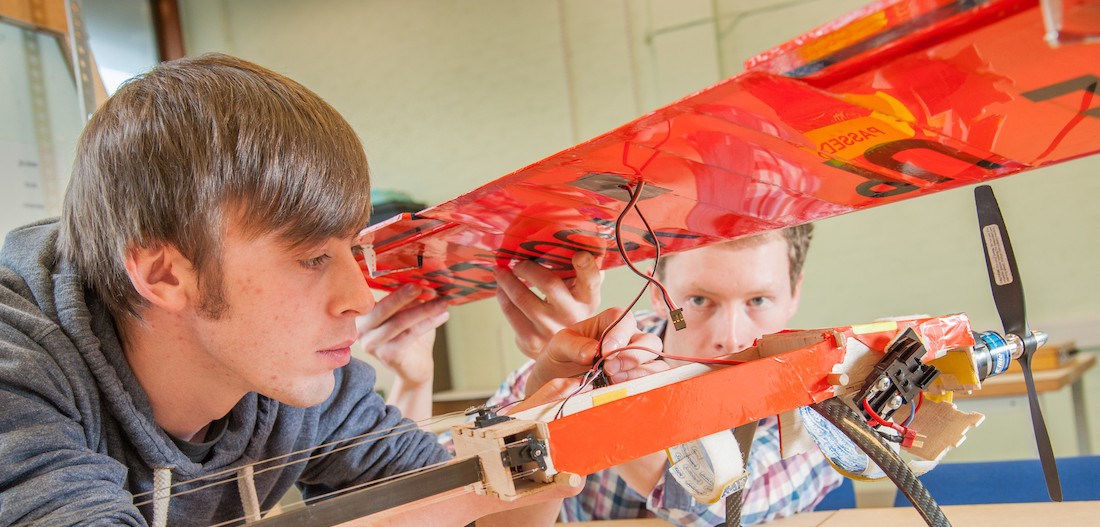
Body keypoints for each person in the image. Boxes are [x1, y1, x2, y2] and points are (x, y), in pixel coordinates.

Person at [0, 53, 666, 527]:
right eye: (312, 257)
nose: (362, 296)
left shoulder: (298, 381)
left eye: (352, 246)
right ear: (165, 273)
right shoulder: (20, 370)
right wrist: (480, 483)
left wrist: (544, 440)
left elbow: (470, 516)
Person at [381, 225, 844, 525]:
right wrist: (413, 383)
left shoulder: (821, 393)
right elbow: (431, 494)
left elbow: (721, 508)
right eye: (700, 300)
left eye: (758, 301)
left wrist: (602, 394)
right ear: (661, 294)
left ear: (794, 294)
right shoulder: (569, 361)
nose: (731, 337)